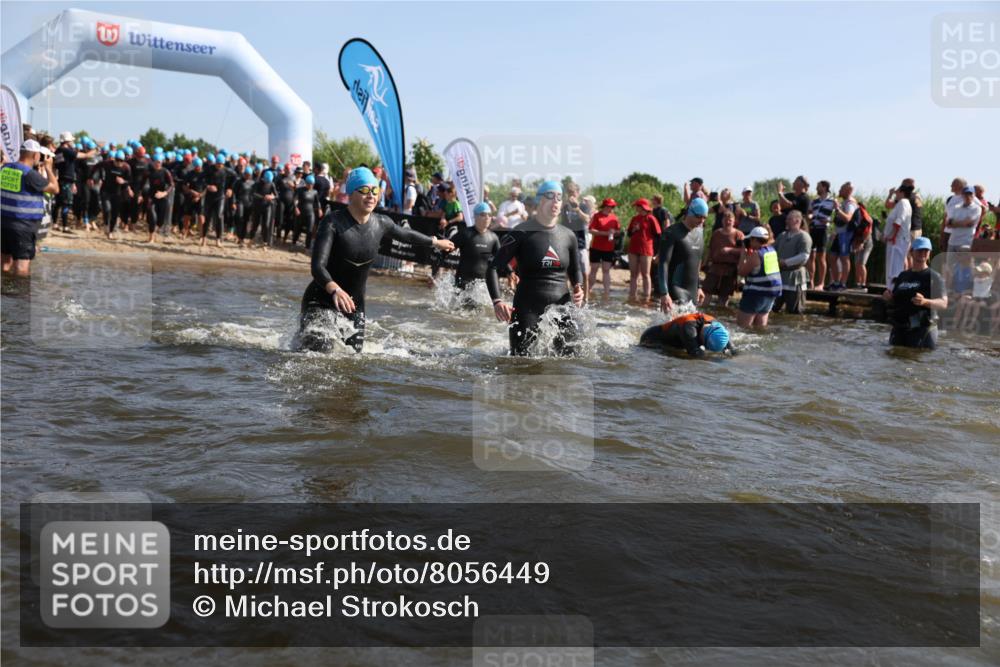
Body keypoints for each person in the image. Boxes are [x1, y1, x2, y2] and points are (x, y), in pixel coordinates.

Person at [298, 167, 454, 353]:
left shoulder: (381, 223)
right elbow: (317, 267)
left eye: (374, 191)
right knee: (317, 354)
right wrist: (335, 290)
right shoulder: (333, 222)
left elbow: (406, 235)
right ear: (350, 193)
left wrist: (435, 242)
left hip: (354, 305)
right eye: (364, 190)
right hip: (321, 299)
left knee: (352, 360)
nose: (371, 195)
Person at [487, 180, 584, 356]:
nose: (555, 201)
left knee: (570, 364)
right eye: (550, 197)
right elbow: (493, 268)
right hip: (527, 310)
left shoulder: (568, 236)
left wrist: (579, 287)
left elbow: (576, 270)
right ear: (540, 201)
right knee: (521, 365)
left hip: (562, 309)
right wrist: (497, 301)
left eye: (559, 198)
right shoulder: (521, 232)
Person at [1, 139, 58, 276]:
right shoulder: (30, 174)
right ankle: (18, 295)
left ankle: (3, 294)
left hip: (3, 223)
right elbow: (55, 189)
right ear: (35, 155)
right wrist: (49, 169)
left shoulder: (4, 169)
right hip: (23, 226)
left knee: (4, 264)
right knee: (21, 268)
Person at [882, 237, 947, 349]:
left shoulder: (934, 277)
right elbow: (896, 300)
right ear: (911, 252)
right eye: (919, 250)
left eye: (926, 251)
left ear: (930, 253)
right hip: (900, 327)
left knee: (917, 362)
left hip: (923, 329)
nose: (923, 253)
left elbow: (943, 303)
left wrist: (925, 301)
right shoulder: (903, 276)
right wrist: (888, 297)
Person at [657, 196, 707, 313]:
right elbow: (663, 263)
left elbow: (697, 263)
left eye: (704, 217)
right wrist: (664, 293)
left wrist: (699, 287)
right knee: (676, 329)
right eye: (698, 216)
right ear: (689, 212)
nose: (701, 221)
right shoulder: (672, 232)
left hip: (692, 291)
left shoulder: (700, 233)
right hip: (675, 290)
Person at [450, 201, 501, 300]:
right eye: (483, 215)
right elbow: (446, 248)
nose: (487, 217)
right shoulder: (465, 234)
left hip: (481, 286)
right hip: (463, 282)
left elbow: (501, 257)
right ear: (475, 217)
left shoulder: (493, 237)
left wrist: (510, 272)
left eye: (489, 215)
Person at [736, 226, 781, 329]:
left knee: (742, 328)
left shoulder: (757, 254)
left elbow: (741, 272)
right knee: (759, 329)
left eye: (750, 239)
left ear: (755, 239)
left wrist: (743, 254)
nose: (749, 242)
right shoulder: (771, 251)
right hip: (770, 294)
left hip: (755, 294)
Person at [639, 312, 735, 357]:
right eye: (705, 345)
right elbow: (697, 357)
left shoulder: (716, 327)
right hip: (651, 339)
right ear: (702, 338)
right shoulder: (689, 329)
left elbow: (732, 349)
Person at [771, 210, 812, 314]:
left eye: (789, 219)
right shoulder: (782, 235)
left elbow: (804, 256)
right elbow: (772, 250)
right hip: (780, 277)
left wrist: (785, 262)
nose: (786, 221)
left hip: (795, 278)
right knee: (774, 310)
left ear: (797, 220)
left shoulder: (804, 236)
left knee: (795, 312)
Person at [703, 208, 744, 307]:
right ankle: (703, 312)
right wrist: (704, 263)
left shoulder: (738, 234)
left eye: (730, 220)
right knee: (707, 292)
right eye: (725, 219)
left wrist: (730, 250)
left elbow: (744, 251)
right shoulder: (716, 233)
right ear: (722, 221)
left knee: (724, 296)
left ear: (734, 221)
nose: (727, 222)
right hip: (715, 267)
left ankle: (721, 317)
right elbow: (710, 249)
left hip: (730, 269)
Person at [626, 198, 661, 303]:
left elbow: (658, 235)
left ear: (642, 207)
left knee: (645, 274)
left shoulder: (651, 218)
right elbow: (629, 234)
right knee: (633, 274)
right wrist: (634, 230)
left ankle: (646, 297)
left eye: (637, 206)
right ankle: (632, 296)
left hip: (646, 249)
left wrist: (657, 252)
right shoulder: (634, 218)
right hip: (633, 248)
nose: (636, 208)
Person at [587, 198, 620, 303]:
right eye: (610, 206)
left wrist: (614, 232)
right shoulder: (597, 216)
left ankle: (606, 293)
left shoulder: (614, 217)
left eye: (612, 206)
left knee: (606, 270)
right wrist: (604, 233)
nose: (611, 208)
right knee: (594, 269)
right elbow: (590, 230)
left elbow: (618, 231)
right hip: (596, 247)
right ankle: (588, 290)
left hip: (608, 248)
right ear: (605, 206)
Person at [807, 180, 836, 291]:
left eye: (818, 186)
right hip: (813, 229)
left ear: (824, 187)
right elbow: (809, 213)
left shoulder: (833, 201)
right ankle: (811, 282)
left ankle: (821, 283)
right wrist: (810, 216)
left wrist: (828, 221)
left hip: (823, 230)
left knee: (821, 257)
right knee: (811, 256)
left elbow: (836, 217)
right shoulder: (814, 201)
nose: (816, 189)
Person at [828, 182, 857, 290]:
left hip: (846, 234)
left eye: (841, 189)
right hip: (839, 233)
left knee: (844, 258)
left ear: (848, 190)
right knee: (832, 257)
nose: (839, 191)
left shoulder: (850, 203)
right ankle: (836, 282)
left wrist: (837, 208)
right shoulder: (844, 202)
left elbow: (848, 218)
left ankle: (843, 283)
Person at [884, 186, 912, 286]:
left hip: (898, 240)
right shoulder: (900, 203)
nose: (896, 193)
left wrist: (893, 236)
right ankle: (891, 288)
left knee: (894, 267)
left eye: (897, 191)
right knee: (892, 267)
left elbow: (899, 220)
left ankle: (893, 289)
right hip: (896, 239)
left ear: (902, 192)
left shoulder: (903, 203)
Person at [144, 152, 174, 243]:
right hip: (151, 197)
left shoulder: (165, 172)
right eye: (156, 162)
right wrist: (142, 195)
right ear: (153, 162)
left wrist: (164, 193)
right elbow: (143, 183)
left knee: (160, 220)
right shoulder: (149, 172)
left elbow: (171, 185)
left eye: (160, 162)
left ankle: (155, 233)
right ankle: (151, 237)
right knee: (152, 217)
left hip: (162, 197)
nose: (158, 164)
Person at [250, 170, 277, 248]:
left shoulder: (271, 184)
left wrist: (272, 196)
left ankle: (264, 242)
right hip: (258, 206)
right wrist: (263, 197)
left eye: (268, 181)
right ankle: (251, 239)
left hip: (267, 207)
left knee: (266, 225)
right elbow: (253, 193)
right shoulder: (258, 183)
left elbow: (277, 195)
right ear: (264, 178)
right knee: (255, 224)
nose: (267, 183)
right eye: (266, 181)